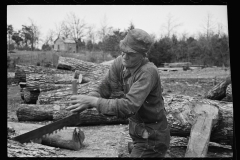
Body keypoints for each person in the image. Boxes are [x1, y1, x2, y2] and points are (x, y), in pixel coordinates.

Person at [65, 28, 170, 157]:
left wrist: (93, 102)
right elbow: (105, 87)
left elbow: (128, 106)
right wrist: (89, 100)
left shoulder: (148, 72)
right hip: (138, 134)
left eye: (130, 53)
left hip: (153, 138)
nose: (124, 56)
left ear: (143, 54)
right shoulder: (121, 62)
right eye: (123, 51)